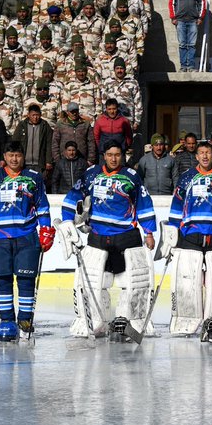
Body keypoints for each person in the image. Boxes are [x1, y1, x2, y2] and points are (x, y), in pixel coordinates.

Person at [58, 140, 156, 339]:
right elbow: (73, 197)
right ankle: (94, 322)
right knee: (95, 282)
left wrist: (149, 232)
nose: (113, 158)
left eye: (117, 155)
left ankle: (130, 321)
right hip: (98, 236)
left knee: (131, 282)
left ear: (123, 156)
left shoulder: (132, 176)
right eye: (110, 154)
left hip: (126, 236)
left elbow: (144, 203)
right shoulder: (91, 174)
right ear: (104, 155)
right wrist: (68, 223)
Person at [156, 143, 212, 338]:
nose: (205, 156)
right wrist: (172, 232)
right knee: (187, 282)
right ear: (196, 156)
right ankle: (185, 320)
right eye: (201, 153)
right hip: (190, 235)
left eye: (208, 153)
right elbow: (177, 206)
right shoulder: (187, 177)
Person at [0, 141, 54, 341]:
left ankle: (25, 320)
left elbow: (42, 206)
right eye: (10, 155)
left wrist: (45, 229)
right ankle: (6, 321)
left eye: (18, 155)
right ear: (4, 156)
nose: (14, 159)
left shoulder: (34, 178)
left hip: (26, 235)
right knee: (2, 280)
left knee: (26, 280)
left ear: (23, 157)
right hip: (0, 237)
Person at [168, 0, 206, 72]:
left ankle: (191, 67)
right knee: (182, 44)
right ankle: (183, 66)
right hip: (180, 20)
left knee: (192, 45)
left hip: (193, 20)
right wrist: (173, 17)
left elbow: (202, 2)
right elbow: (171, 2)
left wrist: (200, 17)